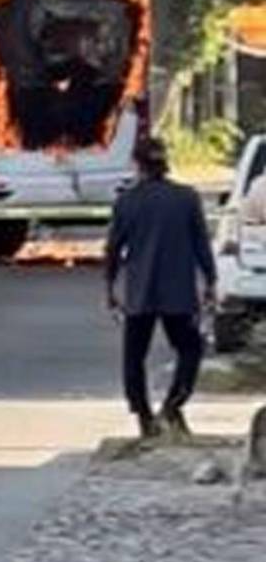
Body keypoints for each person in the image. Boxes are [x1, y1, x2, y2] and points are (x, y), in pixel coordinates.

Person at [105, 135, 216, 440]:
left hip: (139, 292)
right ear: (165, 163)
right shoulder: (187, 198)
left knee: (133, 356)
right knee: (190, 348)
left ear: (137, 165)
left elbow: (113, 249)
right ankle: (173, 405)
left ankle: (143, 416)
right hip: (178, 292)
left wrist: (110, 289)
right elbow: (201, 245)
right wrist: (210, 282)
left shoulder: (127, 201)